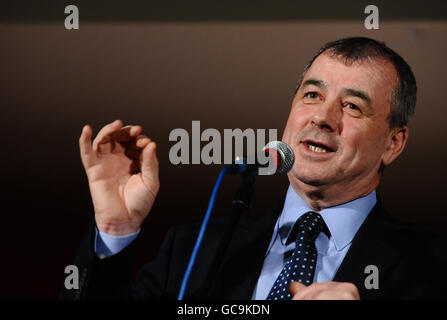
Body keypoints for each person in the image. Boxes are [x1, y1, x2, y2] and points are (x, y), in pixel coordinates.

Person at [60, 37, 447, 300]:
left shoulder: (431, 267)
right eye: (312, 95)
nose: (322, 118)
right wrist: (114, 231)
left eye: (352, 106)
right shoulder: (193, 250)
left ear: (394, 143)